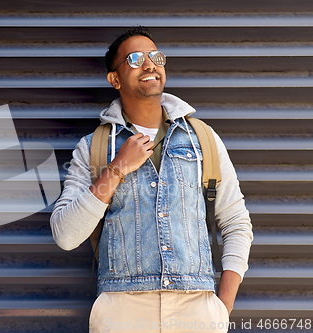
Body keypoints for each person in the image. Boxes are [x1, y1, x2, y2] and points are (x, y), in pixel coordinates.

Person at [50, 27, 253, 333]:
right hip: (122, 308)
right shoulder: (93, 148)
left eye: (155, 57)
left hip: (197, 306)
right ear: (114, 79)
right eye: (135, 58)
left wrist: (221, 306)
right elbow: (65, 235)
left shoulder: (203, 138)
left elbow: (236, 222)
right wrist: (115, 169)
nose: (149, 65)